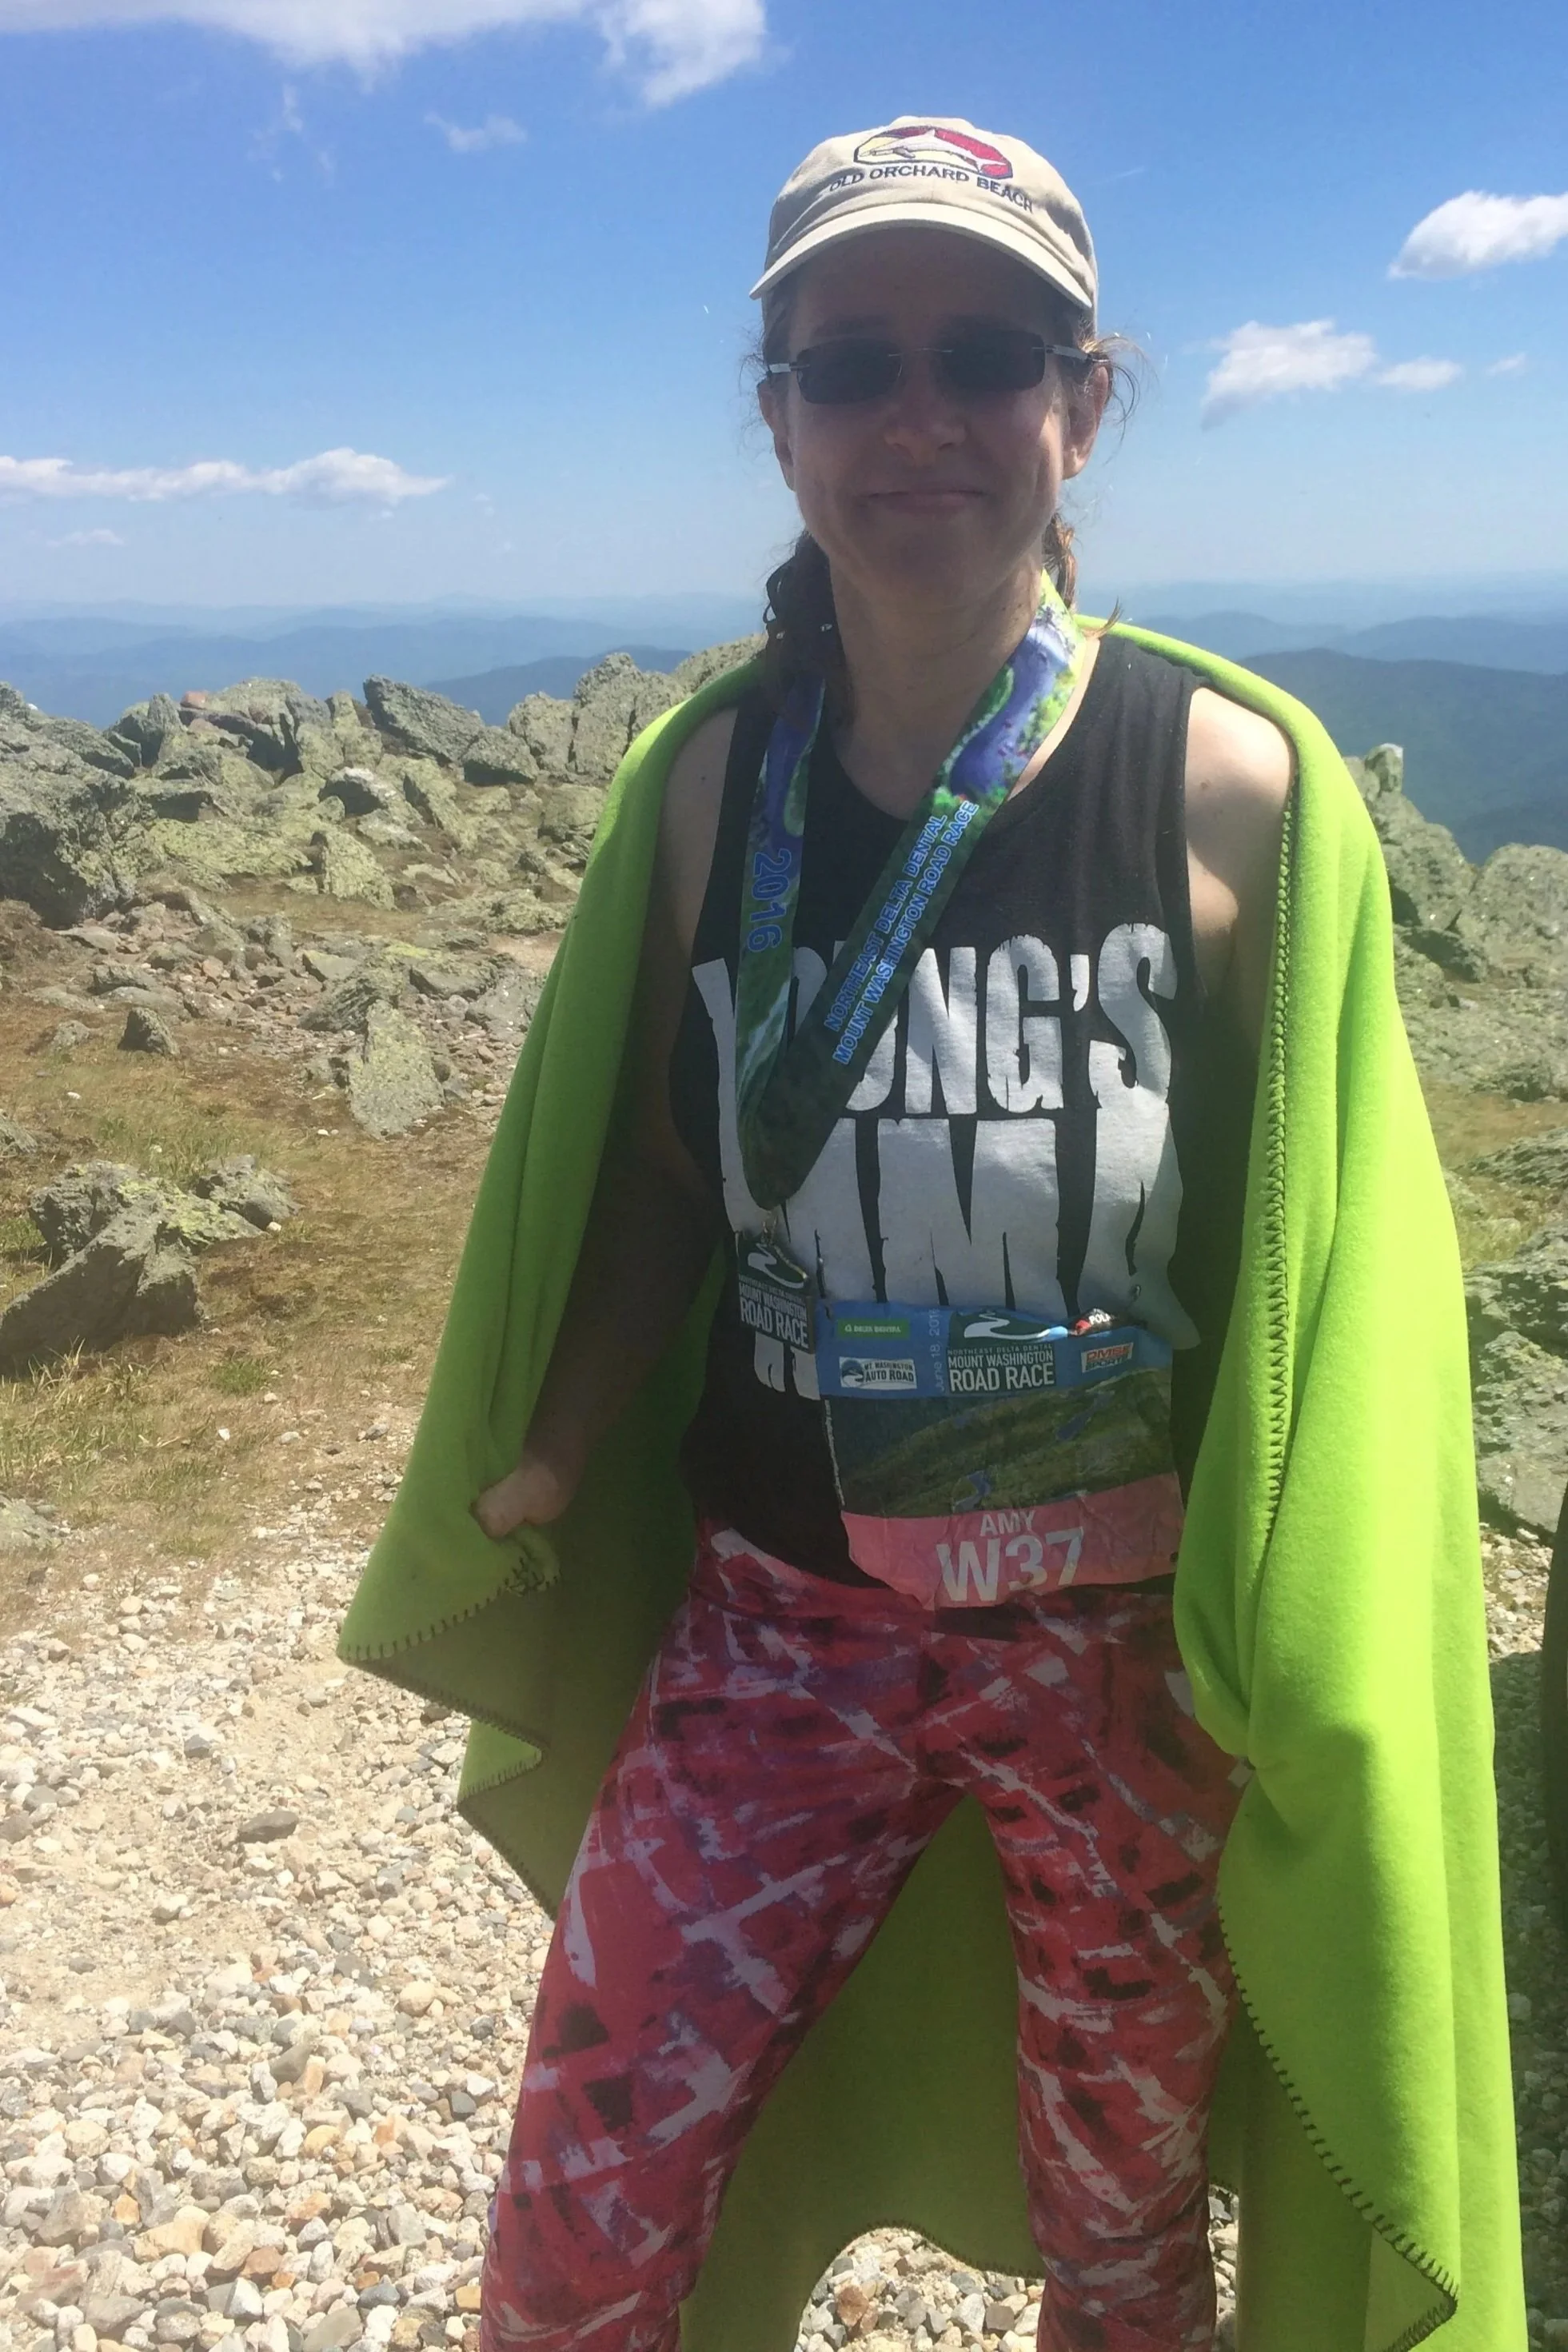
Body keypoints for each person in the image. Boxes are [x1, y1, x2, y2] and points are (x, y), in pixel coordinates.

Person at [470, 116, 1295, 2352]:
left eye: (986, 351)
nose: (918, 415)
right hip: (778, 1624)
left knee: (1127, 2215)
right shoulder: (714, 792)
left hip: (1114, 1657)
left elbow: (1308, 1272)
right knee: (590, 2169)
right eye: (852, 366)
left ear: (1082, 402)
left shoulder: (1224, 787)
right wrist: (553, 1446)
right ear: (781, 421)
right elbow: (659, 1167)